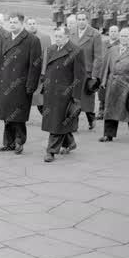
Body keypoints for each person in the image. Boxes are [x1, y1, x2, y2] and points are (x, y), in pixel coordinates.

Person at [0, 12, 42, 154]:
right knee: (6, 114)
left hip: (21, 84)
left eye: (15, 22)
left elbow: (35, 65)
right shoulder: (5, 38)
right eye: (10, 22)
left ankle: (19, 141)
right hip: (4, 82)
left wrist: (31, 85)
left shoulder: (32, 40)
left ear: (22, 23)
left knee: (18, 115)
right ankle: (8, 142)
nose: (12, 24)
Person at [40, 27, 85, 162]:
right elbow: (48, 69)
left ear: (67, 37)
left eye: (60, 36)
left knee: (56, 122)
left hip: (65, 93)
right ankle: (70, 142)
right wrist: (44, 85)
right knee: (58, 121)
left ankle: (51, 151)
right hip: (51, 91)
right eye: (56, 36)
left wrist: (76, 97)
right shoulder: (52, 49)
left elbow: (80, 75)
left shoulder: (76, 51)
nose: (57, 39)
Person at [99, 27, 129, 142]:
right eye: (122, 36)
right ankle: (108, 134)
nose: (124, 38)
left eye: (126, 36)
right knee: (110, 110)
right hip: (112, 84)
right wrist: (103, 81)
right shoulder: (112, 49)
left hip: (127, 85)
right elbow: (106, 66)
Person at [66, 13, 102, 132]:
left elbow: (98, 56)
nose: (81, 22)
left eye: (83, 19)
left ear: (87, 20)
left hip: (87, 72)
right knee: (73, 97)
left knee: (86, 99)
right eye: (79, 19)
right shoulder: (71, 31)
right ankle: (73, 124)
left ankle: (91, 117)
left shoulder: (95, 34)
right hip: (73, 70)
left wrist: (94, 75)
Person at [26, 18, 51, 115]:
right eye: (29, 24)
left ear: (37, 24)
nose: (32, 25)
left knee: (39, 97)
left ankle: (47, 116)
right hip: (26, 72)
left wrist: (44, 72)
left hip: (39, 71)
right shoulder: (24, 37)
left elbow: (47, 56)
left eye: (33, 23)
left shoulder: (45, 37)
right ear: (26, 25)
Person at [97, 25, 120, 120]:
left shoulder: (120, 44)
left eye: (115, 31)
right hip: (103, 71)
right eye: (111, 31)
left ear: (118, 33)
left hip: (114, 71)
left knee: (113, 93)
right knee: (102, 92)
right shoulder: (103, 43)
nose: (113, 33)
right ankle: (101, 112)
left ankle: (112, 113)